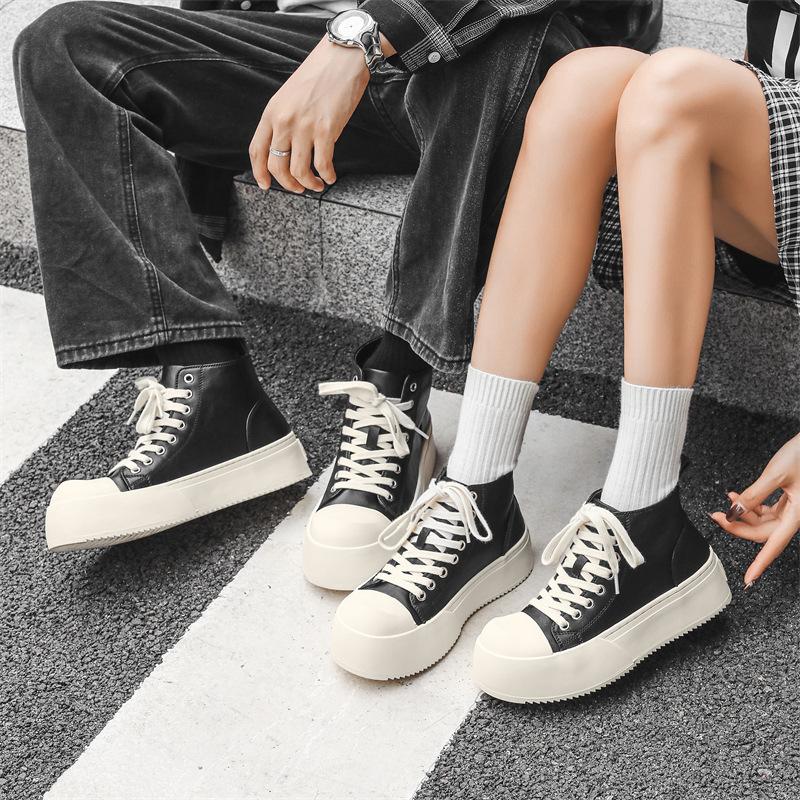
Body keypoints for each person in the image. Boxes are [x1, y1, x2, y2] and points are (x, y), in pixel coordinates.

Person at [13, 0, 659, 555]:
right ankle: (212, 390)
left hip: (512, 57)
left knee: (508, 33)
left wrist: (360, 37)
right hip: (352, 62)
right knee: (64, 45)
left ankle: (397, 389)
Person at [330, 0, 800, 701]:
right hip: (768, 140)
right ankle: (479, 493)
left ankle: (647, 517)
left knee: (677, 87)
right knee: (583, 81)